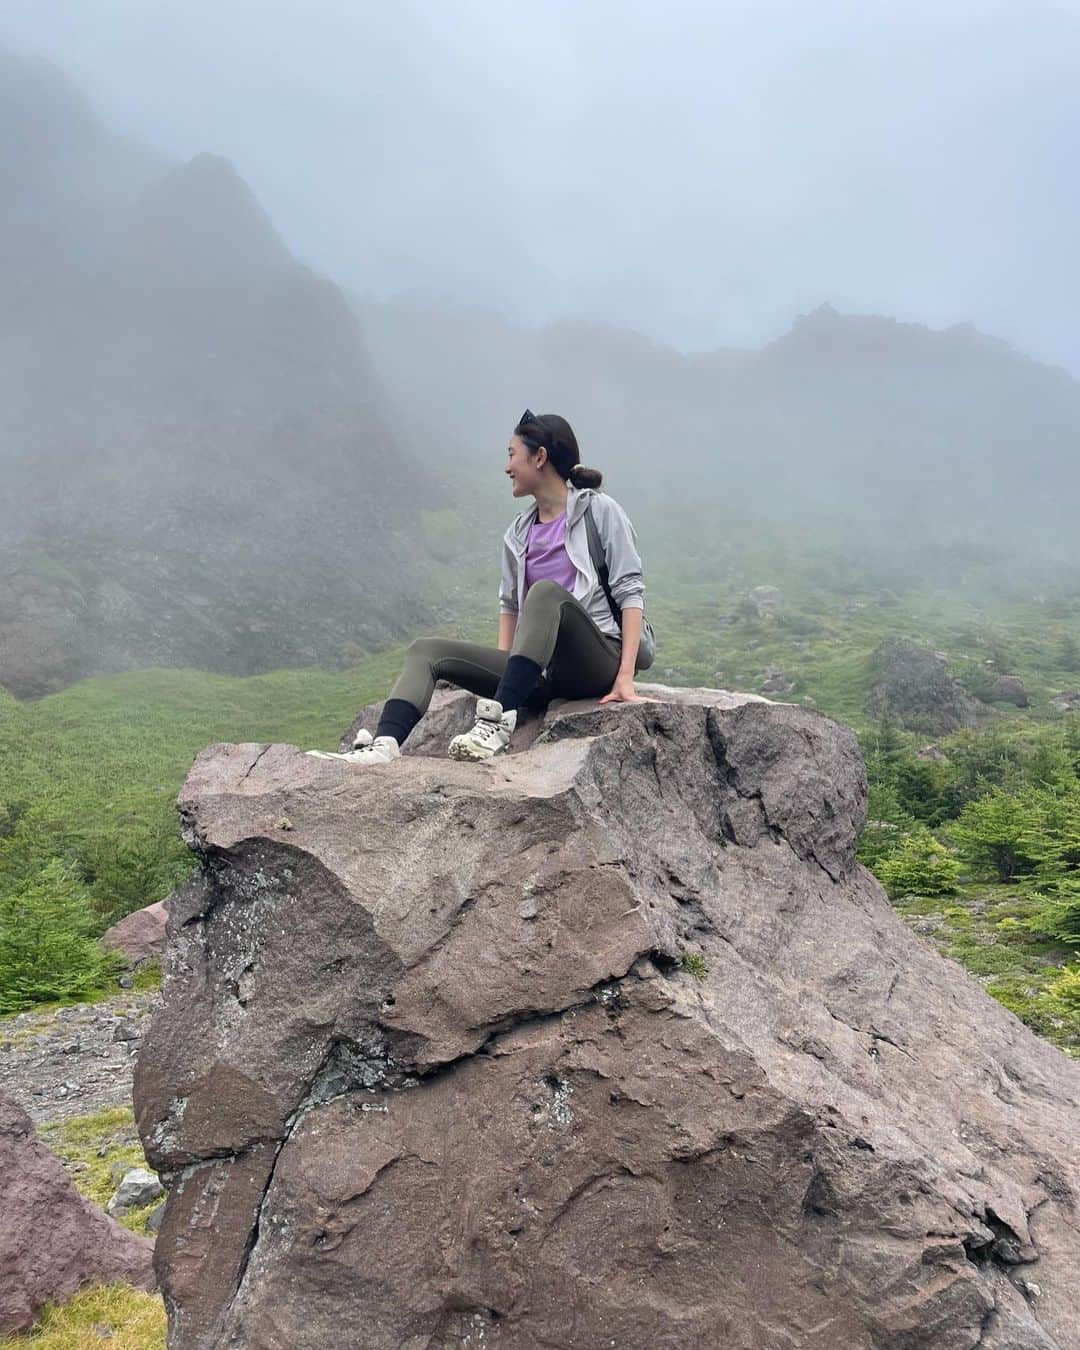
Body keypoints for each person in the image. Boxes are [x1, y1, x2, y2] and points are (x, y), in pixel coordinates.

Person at [308, 409, 649, 765]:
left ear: (540, 457)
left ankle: (496, 724)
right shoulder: (518, 532)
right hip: (544, 673)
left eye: (512, 454)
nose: (507, 467)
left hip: (596, 660)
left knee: (546, 594)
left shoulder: (600, 512)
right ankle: (384, 745)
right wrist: (503, 677)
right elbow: (509, 606)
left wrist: (624, 676)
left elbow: (630, 591)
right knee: (426, 650)